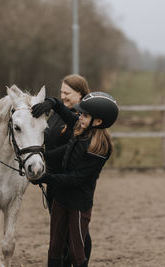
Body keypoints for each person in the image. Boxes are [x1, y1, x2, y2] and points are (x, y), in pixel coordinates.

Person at [32, 91, 119, 267]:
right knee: (54, 247)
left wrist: (46, 178)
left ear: (98, 121)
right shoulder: (81, 128)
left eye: (84, 115)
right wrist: (52, 103)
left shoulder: (99, 149)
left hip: (79, 205)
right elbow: (66, 143)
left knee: (76, 252)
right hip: (60, 199)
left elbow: (76, 179)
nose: (79, 117)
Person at [40, 74, 91, 266]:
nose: (63, 96)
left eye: (67, 93)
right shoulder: (57, 115)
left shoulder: (82, 118)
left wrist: (45, 157)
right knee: (58, 228)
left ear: (81, 94)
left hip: (70, 180)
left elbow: (70, 145)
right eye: (61, 92)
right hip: (53, 178)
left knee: (77, 231)